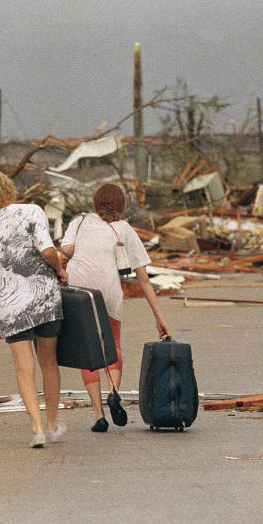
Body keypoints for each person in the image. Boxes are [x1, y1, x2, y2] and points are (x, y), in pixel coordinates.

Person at [59, 183, 170, 432]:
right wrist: (159, 317)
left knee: (87, 353)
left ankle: (99, 416)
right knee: (114, 346)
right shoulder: (124, 229)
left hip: (80, 293)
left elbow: (66, 250)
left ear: (95, 203)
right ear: (121, 205)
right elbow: (143, 278)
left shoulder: (79, 221)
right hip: (108, 292)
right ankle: (114, 392)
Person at [0, 167, 68, 448]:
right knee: (49, 362)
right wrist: (60, 270)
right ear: (7, 186)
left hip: (8, 303)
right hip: (43, 299)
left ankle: (37, 429)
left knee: (23, 368)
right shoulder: (32, 211)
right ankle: (52, 425)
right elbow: (48, 251)